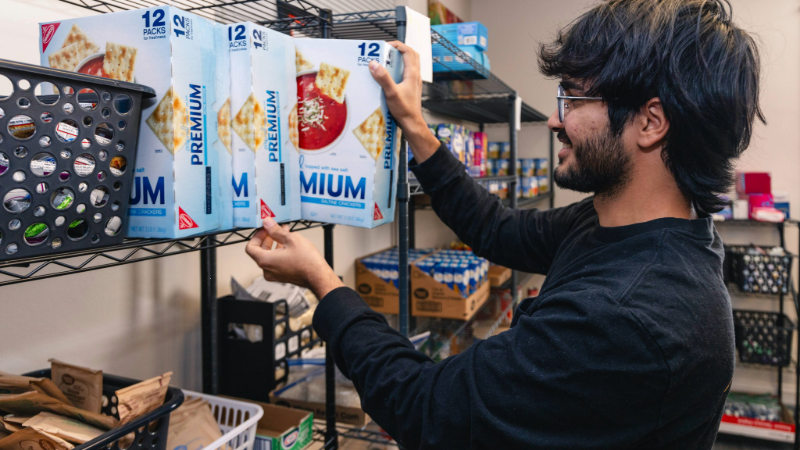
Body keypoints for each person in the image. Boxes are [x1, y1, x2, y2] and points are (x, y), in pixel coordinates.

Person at [245, 0, 764, 448]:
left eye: (574, 99)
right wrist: (417, 128)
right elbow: (500, 230)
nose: (556, 119)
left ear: (650, 123)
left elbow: (425, 411)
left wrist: (323, 281)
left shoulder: (627, 316)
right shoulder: (631, 226)